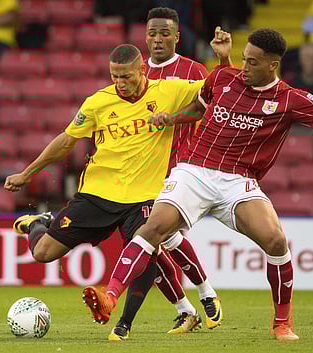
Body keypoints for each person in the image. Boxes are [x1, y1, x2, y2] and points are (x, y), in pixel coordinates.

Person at [81, 28, 313, 342]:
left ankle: (282, 322)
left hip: (238, 180)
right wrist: (172, 118)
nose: (245, 67)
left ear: (273, 64)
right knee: (154, 227)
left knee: (275, 240)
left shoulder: (289, 99)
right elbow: (199, 105)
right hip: (195, 170)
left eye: (253, 62)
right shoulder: (224, 76)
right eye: (243, 58)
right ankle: (109, 298)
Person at [3, 43, 212, 334]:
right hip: (98, 195)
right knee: (42, 253)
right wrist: (27, 173)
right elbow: (66, 141)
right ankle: (39, 223)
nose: (120, 83)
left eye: (126, 76)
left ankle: (124, 324)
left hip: (143, 197)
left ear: (142, 69)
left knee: (145, 251)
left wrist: (224, 56)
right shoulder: (97, 102)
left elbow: (216, 88)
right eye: (115, 76)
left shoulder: (169, 91)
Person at [107, 7, 227, 341]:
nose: (157, 39)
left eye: (164, 33)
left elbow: (209, 108)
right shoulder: (133, 69)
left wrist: (172, 117)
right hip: (139, 167)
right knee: (154, 242)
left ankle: (199, 297)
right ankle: (191, 306)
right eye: (152, 33)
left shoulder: (192, 70)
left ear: (176, 36)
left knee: (156, 236)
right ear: (144, 37)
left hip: (179, 163)